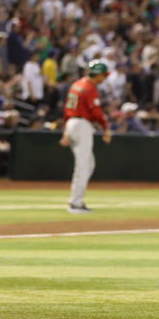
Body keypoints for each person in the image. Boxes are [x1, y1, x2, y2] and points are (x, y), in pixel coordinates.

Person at [59, 59, 111, 213]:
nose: (104, 78)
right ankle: (75, 203)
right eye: (103, 75)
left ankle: (76, 199)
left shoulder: (76, 84)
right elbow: (96, 112)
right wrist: (106, 128)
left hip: (72, 123)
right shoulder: (90, 87)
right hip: (82, 125)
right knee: (83, 166)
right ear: (98, 74)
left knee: (88, 164)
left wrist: (66, 131)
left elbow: (67, 108)